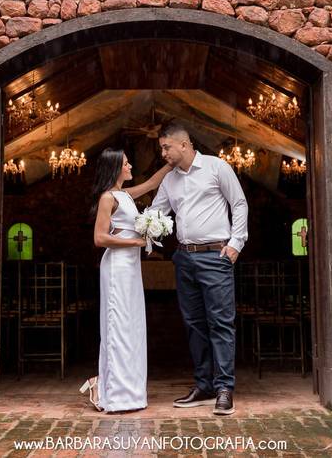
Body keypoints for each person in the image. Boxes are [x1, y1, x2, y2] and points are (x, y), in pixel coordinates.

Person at [150, 123, 248, 416]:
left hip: (215, 256)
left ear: (184, 144)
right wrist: (126, 219)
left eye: (166, 147)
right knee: (194, 325)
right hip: (184, 259)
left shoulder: (217, 167)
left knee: (220, 323)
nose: (163, 153)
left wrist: (235, 244)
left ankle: (224, 388)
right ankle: (204, 385)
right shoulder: (169, 180)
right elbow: (156, 214)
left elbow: (239, 204)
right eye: (161, 148)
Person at [80, 148, 172, 412]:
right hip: (117, 268)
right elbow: (99, 238)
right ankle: (115, 393)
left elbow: (153, 183)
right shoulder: (107, 198)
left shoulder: (125, 195)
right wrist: (135, 241)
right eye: (127, 163)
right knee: (118, 326)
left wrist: (171, 164)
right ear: (115, 168)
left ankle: (124, 390)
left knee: (132, 327)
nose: (131, 166)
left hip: (131, 268)